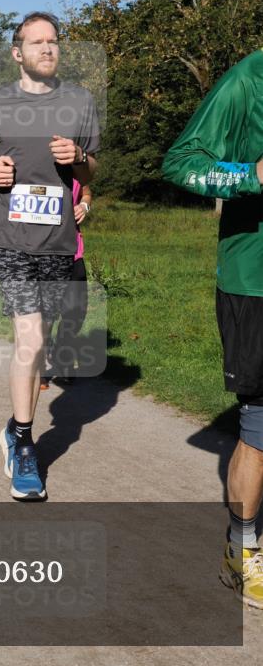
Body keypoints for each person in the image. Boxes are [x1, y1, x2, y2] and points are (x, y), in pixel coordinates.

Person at [0, 12, 99, 501]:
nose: (48, 48)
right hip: (6, 235)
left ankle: (13, 426)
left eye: (54, 41)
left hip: (58, 239)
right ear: (17, 53)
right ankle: (24, 445)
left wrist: (78, 160)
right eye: (36, 42)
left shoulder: (80, 102)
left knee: (38, 340)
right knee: (31, 331)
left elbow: (95, 166)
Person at [163, 48, 263, 609]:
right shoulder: (251, 78)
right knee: (261, 425)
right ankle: (241, 551)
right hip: (256, 281)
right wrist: (250, 174)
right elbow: (181, 161)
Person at [41, 180, 92, 388]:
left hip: (73, 252)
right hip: (42, 251)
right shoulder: (36, 166)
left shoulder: (77, 167)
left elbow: (86, 191)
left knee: (75, 311)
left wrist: (84, 205)